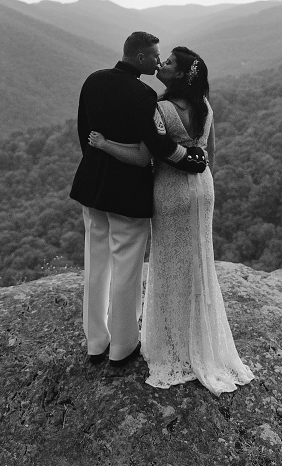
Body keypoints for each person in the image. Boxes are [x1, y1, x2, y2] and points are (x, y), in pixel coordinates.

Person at [88, 46, 254, 396]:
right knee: (199, 261)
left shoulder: (160, 109)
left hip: (171, 191)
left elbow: (143, 156)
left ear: (178, 75)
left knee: (169, 263)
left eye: (168, 64)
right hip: (203, 189)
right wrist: (204, 187)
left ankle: (173, 345)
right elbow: (211, 154)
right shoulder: (206, 106)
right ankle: (204, 340)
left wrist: (105, 145)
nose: (161, 65)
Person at [69, 32, 207, 369]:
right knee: (127, 268)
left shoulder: (94, 80)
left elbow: (83, 131)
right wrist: (192, 160)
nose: (159, 62)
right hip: (127, 190)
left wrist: (99, 157)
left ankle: (95, 342)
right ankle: (123, 346)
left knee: (96, 263)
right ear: (142, 58)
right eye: (156, 56)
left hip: (91, 184)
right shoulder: (144, 95)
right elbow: (155, 148)